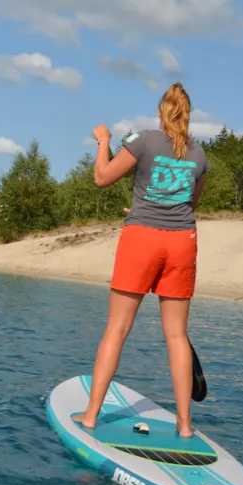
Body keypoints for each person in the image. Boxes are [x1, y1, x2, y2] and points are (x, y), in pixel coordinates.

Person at [73, 83, 209, 438]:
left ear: (160, 113)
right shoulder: (199, 155)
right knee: (177, 336)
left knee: (117, 329)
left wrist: (103, 141)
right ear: (188, 115)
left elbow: (102, 178)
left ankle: (89, 416)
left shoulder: (144, 140)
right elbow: (188, 205)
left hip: (142, 239)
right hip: (183, 241)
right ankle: (184, 426)